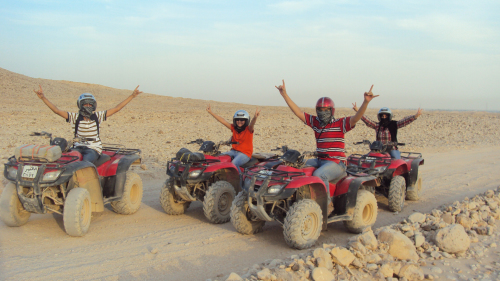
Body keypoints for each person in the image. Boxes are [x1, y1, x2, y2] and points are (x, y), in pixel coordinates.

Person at [275, 79, 378, 208]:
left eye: (326, 110)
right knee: (295, 166)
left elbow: (356, 117)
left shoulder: (340, 124)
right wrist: (284, 94)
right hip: (320, 160)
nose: (323, 113)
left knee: (319, 174)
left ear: (331, 110)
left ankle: (327, 204)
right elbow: (298, 112)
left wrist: (365, 102)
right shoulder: (316, 123)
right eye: (320, 110)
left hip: (336, 163)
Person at [34, 85, 142, 163]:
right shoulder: (75, 117)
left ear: (94, 106)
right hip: (77, 147)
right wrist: (43, 97)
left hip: (93, 148)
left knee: (84, 164)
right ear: (80, 105)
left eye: (90, 104)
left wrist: (132, 96)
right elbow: (56, 110)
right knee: (66, 161)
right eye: (85, 104)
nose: (88, 106)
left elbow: (117, 108)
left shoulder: (97, 116)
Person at [352, 103, 423, 159]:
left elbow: (404, 121)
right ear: (379, 117)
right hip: (378, 149)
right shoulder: (377, 126)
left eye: (385, 116)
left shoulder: (394, 124)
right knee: (367, 159)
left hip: (392, 149)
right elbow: (367, 121)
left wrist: (415, 116)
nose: (384, 118)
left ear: (389, 116)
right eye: (382, 116)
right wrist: (358, 111)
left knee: (397, 162)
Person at [206, 105, 260, 171]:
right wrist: (211, 112)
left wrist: (255, 117)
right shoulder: (234, 128)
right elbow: (223, 121)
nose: (239, 121)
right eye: (238, 120)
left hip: (245, 154)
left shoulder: (248, 129)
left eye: (242, 120)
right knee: (218, 158)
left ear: (246, 121)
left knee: (234, 163)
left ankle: (239, 180)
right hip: (233, 151)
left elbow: (252, 124)